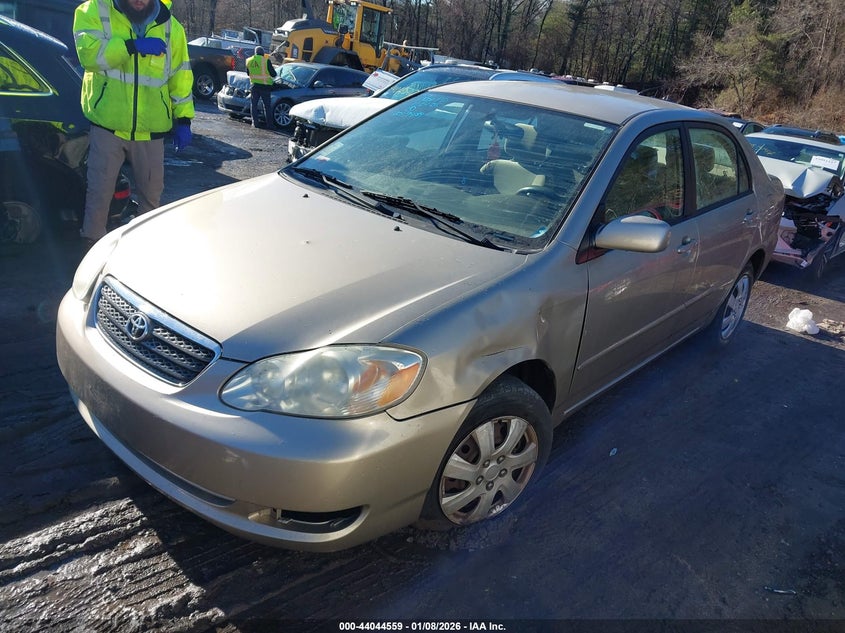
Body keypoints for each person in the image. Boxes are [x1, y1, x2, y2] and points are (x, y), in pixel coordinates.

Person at [73, 0, 194, 249]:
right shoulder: (92, 11)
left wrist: (183, 119)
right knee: (99, 194)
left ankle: (143, 249)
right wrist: (130, 46)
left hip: (150, 131)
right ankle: (90, 249)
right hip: (107, 124)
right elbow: (89, 56)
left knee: (151, 197)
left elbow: (180, 76)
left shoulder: (172, 28)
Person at [246, 46, 277, 129]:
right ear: (263, 53)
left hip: (254, 86)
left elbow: (248, 73)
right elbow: (274, 74)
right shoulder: (266, 61)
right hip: (265, 86)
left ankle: (255, 123)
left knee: (254, 105)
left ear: (255, 53)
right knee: (267, 106)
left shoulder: (249, 60)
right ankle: (270, 125)